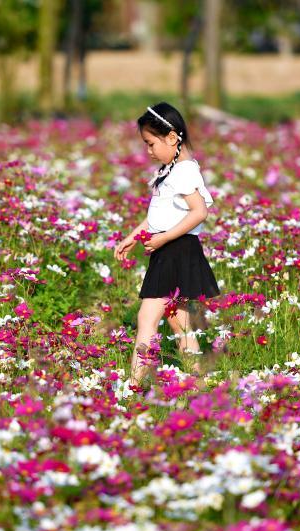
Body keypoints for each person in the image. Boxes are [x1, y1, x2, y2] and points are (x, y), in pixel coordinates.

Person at [114, 102, 220, 388]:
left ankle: (133, 386)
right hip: (170, 249)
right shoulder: (169, 170)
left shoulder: (184, 171)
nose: (148, 151)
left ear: (172, 137)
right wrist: (132, 238)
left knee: (146, 317)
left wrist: (164, 238)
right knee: (177, 320)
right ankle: (198, 379)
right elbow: (157, 217)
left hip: (176, 250)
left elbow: (199, 212)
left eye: (150, 144)